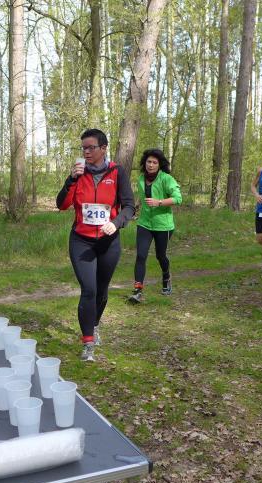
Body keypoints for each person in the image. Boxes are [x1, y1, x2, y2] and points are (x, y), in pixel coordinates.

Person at [56, 129, 135, 361]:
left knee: (101, 291)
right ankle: (88, 342)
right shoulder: (78, 174)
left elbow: (129, 206)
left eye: (91, 147)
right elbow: (62, 204)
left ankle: (95, 323)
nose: (86, 152)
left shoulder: (117, 172)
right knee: (89, 290)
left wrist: (116, 223)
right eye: (83, 148)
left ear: (103, 148)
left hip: (108, 241)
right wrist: (71, 179)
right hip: (81, 240)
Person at [128, 148, 182, 304]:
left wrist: (159, 202)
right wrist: (134, 209)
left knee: (160, 255)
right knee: (141, 255)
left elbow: (178, 198)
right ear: (144, 163)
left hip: (163, 225)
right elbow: (143, 198)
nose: (151, 165)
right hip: (144, 223)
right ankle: (137, 290)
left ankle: (166, 277)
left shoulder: (166, 179)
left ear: (159, 165)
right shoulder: (141, 178)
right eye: (148, 162)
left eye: (154, 162)